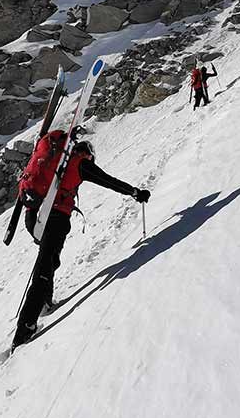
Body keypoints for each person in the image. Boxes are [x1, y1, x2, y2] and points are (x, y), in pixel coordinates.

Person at [14, 130, 149, 348]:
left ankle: (45, 303)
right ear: (85, 153)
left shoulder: (51, 160)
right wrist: (135, 192)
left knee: (49, 261)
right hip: (55, 218)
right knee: (44, 269)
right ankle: (24, 329)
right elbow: (108, 181)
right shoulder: (79, 164)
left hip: (33, 215)